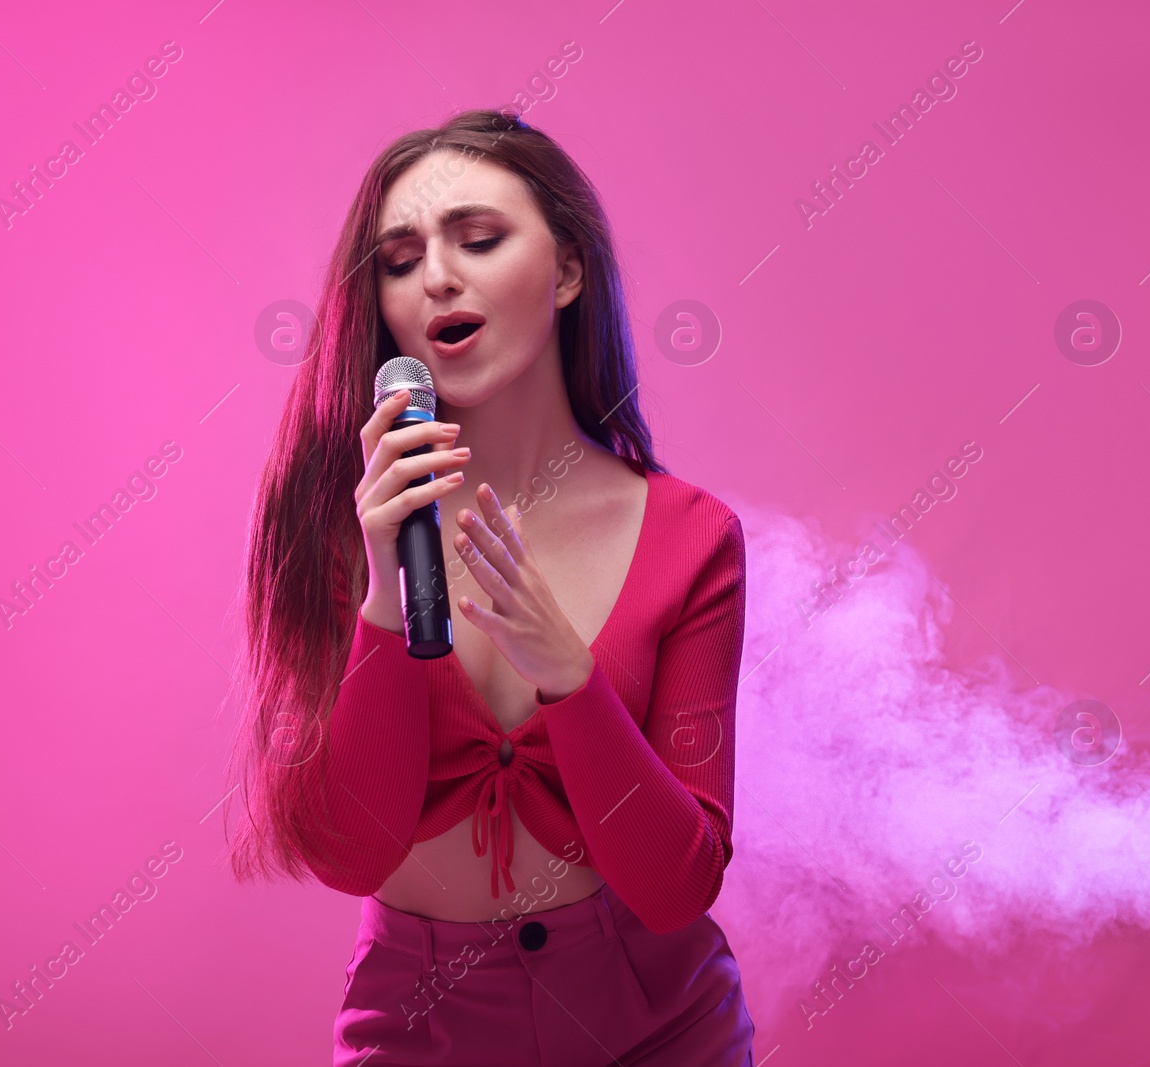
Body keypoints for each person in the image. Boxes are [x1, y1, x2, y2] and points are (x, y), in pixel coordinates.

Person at [225, 108, 755, 1066]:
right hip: (422, 1025)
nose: (436, 277)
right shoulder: (336, 518)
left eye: (478, 239)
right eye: (397, 258)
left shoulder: (693, 536)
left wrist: (569, 674)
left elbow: (678, 884)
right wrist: (387, 592)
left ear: (565, 271)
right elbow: (350, 853)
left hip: (659, 1021)